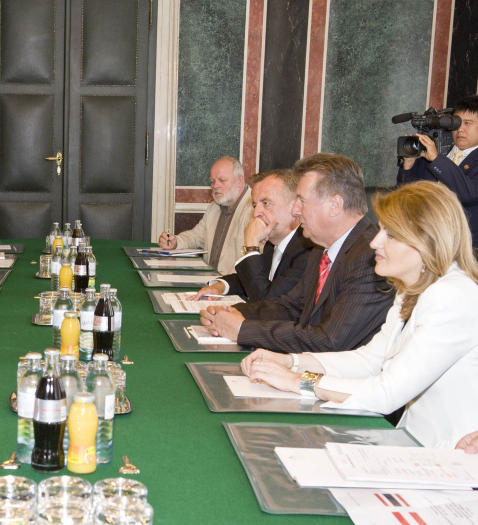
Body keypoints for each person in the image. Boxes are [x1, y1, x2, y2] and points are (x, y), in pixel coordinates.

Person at [240, 181, 478, 449]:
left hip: (451, 461)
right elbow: (369, 361)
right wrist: (291, 361)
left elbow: (386, 393)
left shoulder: (451, 296)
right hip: (416, 448)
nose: (375, 241)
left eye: (391, 234)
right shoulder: (411, 290)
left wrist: (298, 382)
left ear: (426, 241)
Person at [200, 153, 395, 353]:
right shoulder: (322, 248)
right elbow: (290, 307)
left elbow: (329, 341)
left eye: (301, 200)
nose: (295, 210)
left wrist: (242, 329)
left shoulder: (371, 257)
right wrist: (228, 313)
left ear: (335, 205)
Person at [189, 169, 316, 301]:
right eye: (255, 205)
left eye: (266, 203)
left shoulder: (308, 252)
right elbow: (254, 278)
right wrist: (221, 286)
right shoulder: (272, 245)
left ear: (295, 206)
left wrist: (251, 248)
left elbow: (267, 302)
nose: (256, 213)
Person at [397, 95, 478, 250]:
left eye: (468, 123)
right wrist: (409, 165)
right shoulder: (434, 155)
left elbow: (468, 193)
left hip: (465, 248)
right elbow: (405, 197)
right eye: (457, 123)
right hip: (425, 242)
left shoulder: (437, 159)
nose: (460, 129)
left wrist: (437, 159)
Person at [158, 157, 252, 275]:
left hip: (234, 289)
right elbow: (196, 237)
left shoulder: (255, 209)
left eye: (222, 180)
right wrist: (176, 242)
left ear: (239, 180)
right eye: (212, 181)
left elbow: (252, 264)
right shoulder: (214, 206)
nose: (215, 186)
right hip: (209, 282)